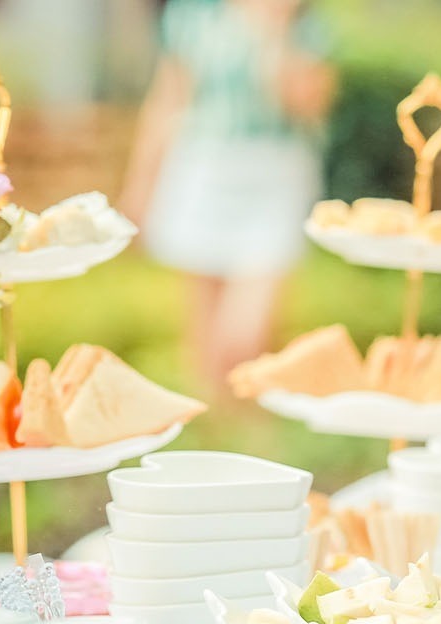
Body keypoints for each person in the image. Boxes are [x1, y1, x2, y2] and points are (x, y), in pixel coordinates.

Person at [121, 0, 335, 393]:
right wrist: (140, 188)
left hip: (275, 174)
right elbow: (167, 102)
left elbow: (307, 103)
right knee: (203, 339)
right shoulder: (193, 15)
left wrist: (274, 30)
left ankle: (251, 430)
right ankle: (222, 437)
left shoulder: (306, 24)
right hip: (203, 167)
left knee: (244, 339)